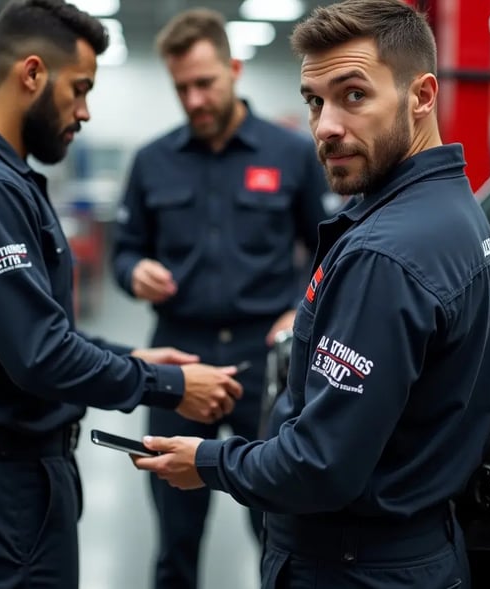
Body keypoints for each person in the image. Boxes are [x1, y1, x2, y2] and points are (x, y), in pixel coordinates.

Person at [133, 1, 490, 588]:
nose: (326, 124)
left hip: (354, 566)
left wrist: (204, 462)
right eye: (314, 100)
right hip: (410, 546)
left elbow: (320, 465)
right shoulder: (455, 212)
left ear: (422, 95)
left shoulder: (386, 256)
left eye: (353, 94)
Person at [0, 1, 243, 588]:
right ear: (32, 74)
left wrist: (133, 361)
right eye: (79, 89)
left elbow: (32, 329)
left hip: (7, 473)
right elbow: (40, 354)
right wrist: (168, 385)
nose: (84, 111)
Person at [110, 8, 331, 589]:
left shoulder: (288, 153)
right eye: (182, 87)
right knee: (175, 530)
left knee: (275, 523)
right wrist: (136, 273)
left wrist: (298, 308)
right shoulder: (152, 160)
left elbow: (328, 249)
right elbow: (124, 251)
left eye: (205, 83)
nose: (195, 99)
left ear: (233, 69)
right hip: (180, 360)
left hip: (265, 357)